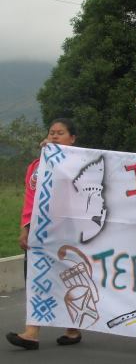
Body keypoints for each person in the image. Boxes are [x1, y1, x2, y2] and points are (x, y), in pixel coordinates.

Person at [6, 119, 83, 350]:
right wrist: (25, 228)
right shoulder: (36, 167)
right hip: (40, 233)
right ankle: (32, 332)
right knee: (36, 278)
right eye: (52, 133)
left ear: (73, 138)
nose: (55, 136)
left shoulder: (79, 163)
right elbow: (30, 200)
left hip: (70, 233)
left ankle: (72, 328)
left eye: (61, 133)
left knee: (69, 277)